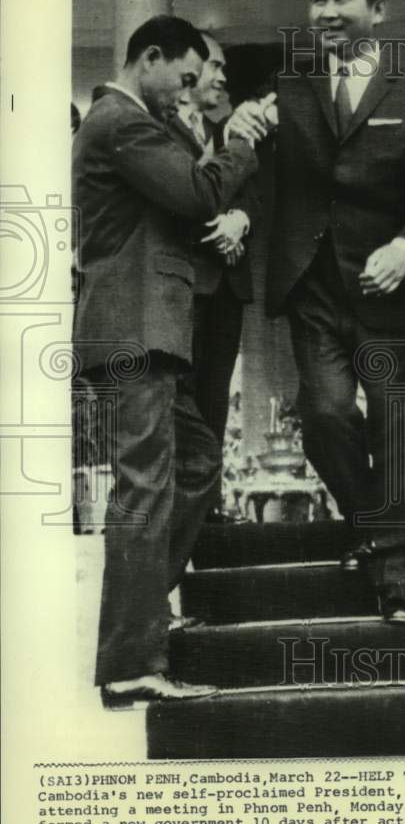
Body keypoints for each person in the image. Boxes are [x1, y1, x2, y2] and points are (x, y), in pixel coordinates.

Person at [236, 0, 405, 623]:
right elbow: (256, 166)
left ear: (376, 10)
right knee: (324, 415)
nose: (326, 12)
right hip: (314, 287)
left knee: (401, 424)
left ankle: (402, 584)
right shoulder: (286, 88)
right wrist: (240, 129)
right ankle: (379, 530)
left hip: (389, 290)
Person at [72, 15, 258, 707]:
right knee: (144, 488)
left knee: (198, 461)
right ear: (149, 57)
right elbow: (198, 193)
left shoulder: (127, 123)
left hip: (143, 331)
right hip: (133, 330)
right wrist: (238, 142)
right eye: (183, 76)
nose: (188, 93)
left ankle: (144, 616)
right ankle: (129, 662)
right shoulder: (121, 122)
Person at [166, 31, 257, 521]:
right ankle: (184, 517)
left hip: (227, 286)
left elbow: (251, 187)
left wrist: (239, 218)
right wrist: (213, 226)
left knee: (215, 402)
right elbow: (176, 197)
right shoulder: (156, 127)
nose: (223, 76)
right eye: (214, 66)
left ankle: (207, 511)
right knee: (182, 410)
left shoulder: (225, 129)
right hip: (183, 288)